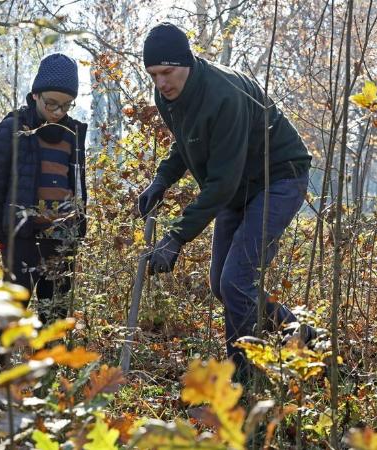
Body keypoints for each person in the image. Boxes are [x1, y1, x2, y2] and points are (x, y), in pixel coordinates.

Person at [137, 23, 315, 378]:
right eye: (154, 75)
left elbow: (221, 183)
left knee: (235, 281)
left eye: (167, 72)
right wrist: (162, 179)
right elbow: (186, 143)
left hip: (279, 177)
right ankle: (304, 337)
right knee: (222, 283)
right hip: (240, 185)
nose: (161, 83)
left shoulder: (224, 94)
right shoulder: (168, 97)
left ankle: (244, 377)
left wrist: (175, 238)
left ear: (187, 62)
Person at [0, 53, 88, 329]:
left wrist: (77, 228)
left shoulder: (73, 135)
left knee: (54, 319)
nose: (57, 111)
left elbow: (77, 184)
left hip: (60, 241)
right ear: (35, 95)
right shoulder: (14, 128)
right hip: (23, 239)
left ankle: (48, 372)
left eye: (65, 105)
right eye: (51, 103)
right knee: (8, 316)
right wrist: (3, 235)